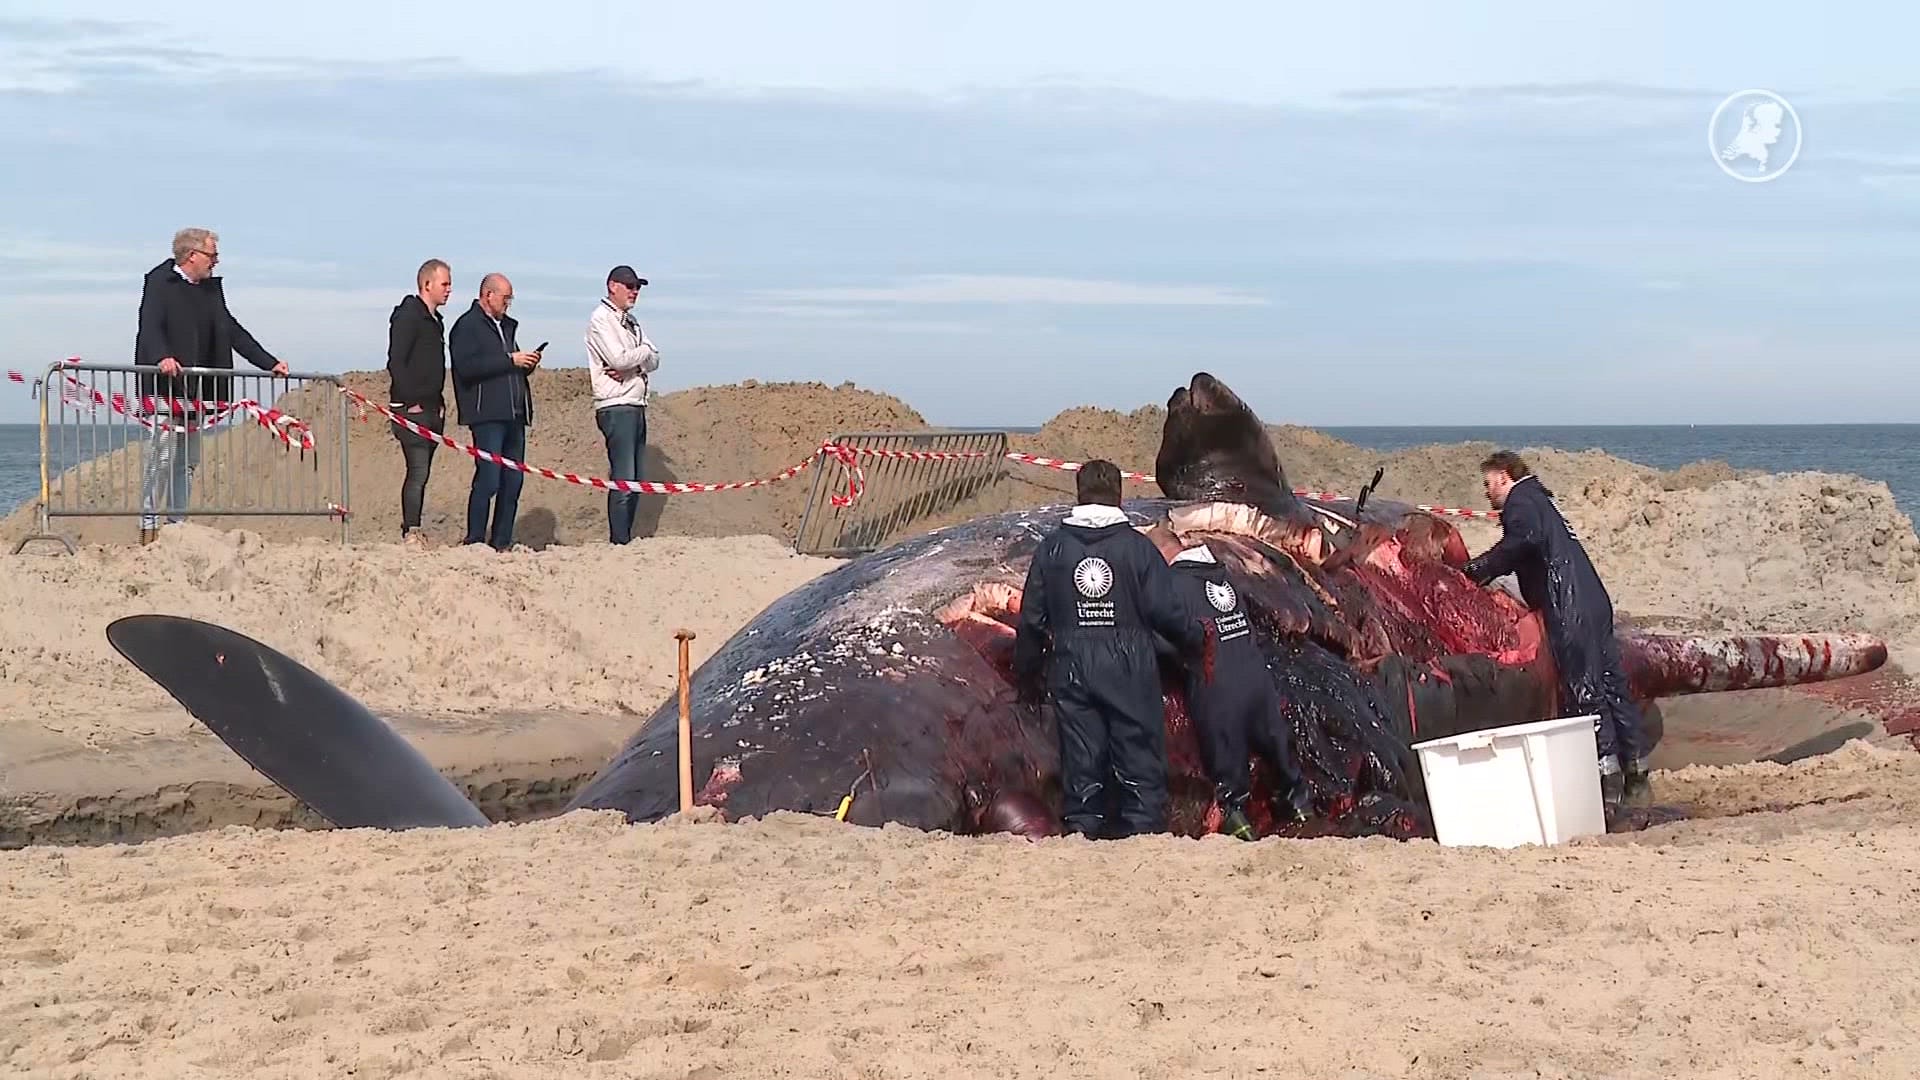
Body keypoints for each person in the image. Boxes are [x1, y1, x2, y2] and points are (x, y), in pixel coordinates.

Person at [1011, 460, 1211, 839]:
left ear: (1079, 493)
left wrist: (1026, 675)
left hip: (1071, 664)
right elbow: (1167, 612)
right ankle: (1141, 835)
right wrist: (1195, 643)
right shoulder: (1138, 549)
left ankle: (1084, 833)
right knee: (1137, 757)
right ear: (1119, 496)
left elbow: (1032, 621)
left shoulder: (1052, 549)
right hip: (1129, 664)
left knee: (1082, 760)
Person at [1460, 451, 1651, 818]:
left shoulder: (1521, 502)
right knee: (1612, 684)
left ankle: (1604, 784)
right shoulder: (1542, 501)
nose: (1486, 493)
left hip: (1568, 604)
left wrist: (1477, 570)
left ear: (1504, 476)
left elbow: (1521, 543)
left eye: (1488, 484)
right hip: (1593, 599)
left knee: (1584, 690)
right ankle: (1637, 775)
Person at [133, 227, 290, 544]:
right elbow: (149, 327)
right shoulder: (159, 282)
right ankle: (147, 526)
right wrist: (162, 356)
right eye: (212, 255)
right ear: (192, 255)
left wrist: (269, 361)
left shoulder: (210, 291)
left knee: (188, 462)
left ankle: (176, 525)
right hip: (163, 387)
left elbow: (232, 331)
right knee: (160, 458)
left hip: (199, 391)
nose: (216, 262)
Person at [1161, 541, 1311, 840]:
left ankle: (1237, 823)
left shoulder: (1173, 584)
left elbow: (1172, 638)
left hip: (1216, 682)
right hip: (1255, 676)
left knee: (1226, 765)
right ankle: (1300, 805)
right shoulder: (1223, 574)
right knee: (1275, 745)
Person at [448, 273, 541, 551]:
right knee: (488, 478)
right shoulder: (466, 326)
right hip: (487, 414)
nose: (508, 303)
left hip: (514, 413)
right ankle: (475, 539)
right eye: (505, 297)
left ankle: (502, 541)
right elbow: (467, 368)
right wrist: (509, 360)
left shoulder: (507, 327)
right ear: (488, 295)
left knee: (513, 480)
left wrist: (525, 363)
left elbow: (504, 364)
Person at [584, 265, 660, 544]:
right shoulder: (601, 318)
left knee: (636, 479)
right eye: (629, 286)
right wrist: (641, 358)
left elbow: (655, 358)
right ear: (612, 286)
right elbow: (618, 359)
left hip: (636, 402)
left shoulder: (632, 321)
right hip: (615, 404)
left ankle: (625, 537)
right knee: (624, 478)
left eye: (637, 286)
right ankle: (618, 540)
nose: (635, 291)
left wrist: (636, 362)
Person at [386, 258, 454, 547]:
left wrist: (437, 403)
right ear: (427, 284)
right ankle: (410, 530)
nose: (449, 290)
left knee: (422, 473)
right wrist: (411, 402)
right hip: (411, 410)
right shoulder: (408, 316)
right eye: (445, 284)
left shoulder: (435, 321)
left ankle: (413, 527)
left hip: (431, 409)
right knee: (417, 470)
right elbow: (396, 362)